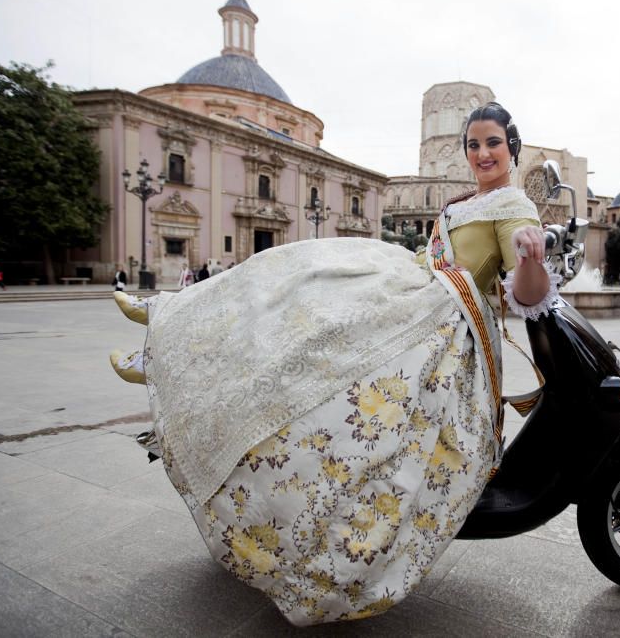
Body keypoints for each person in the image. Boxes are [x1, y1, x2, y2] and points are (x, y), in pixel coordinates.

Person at [107, 102, 555, 626]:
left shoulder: (513, 207)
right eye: (473, 145)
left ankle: (175, 335)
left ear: (512, 147)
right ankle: (175, 321)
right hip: (411, 289)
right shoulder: (467, 202)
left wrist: (531, 258)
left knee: (323, 365)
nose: (482, 154)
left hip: (440, 324)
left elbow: (528, 297)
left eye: (492, 144)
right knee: (299, 275)